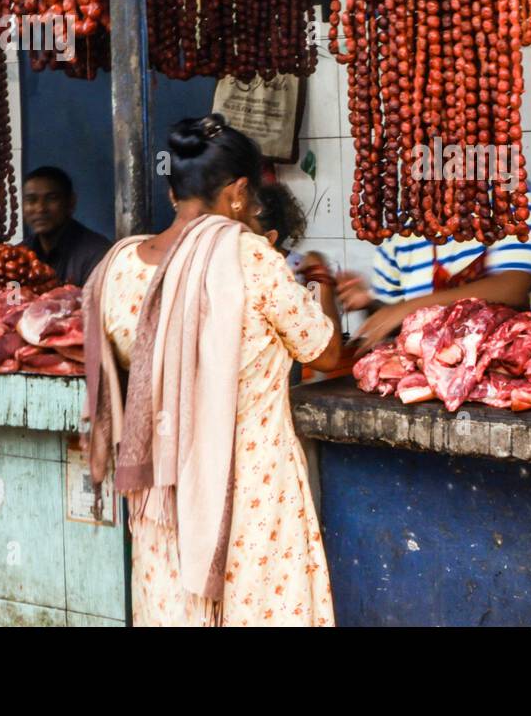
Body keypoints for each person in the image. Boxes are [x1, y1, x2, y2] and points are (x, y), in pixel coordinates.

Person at [82, 114, 342, 626]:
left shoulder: (118, 266)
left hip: (162, 497)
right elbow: (326, 354)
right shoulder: (249, 258)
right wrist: (326, 289)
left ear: (174, 189)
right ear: (241, 191)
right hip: (249, 488)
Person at [337, 198, 531, 346]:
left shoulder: (511, 198)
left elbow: (512, 288)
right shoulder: (400, 233)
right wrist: (368, 303)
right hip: (459, 376)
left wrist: (408, 307)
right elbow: (393, 322)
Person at [22, 166, 112, 286]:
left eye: (51, 199)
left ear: (71, 203)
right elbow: (12, 300)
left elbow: (96, 302)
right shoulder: (19, 254)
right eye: (31, 200)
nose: (40, 208)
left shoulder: (97, 253)